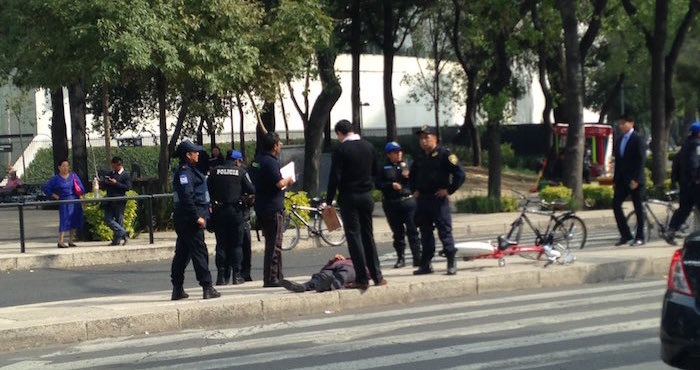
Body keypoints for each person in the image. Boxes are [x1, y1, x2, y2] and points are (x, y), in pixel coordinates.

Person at [325, 119, 385, 290]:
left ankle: (362, 278)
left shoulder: (342, 149)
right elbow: (375, 171)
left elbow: (334, 177)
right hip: (366, 196)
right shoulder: (369, 146)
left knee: (354, 236)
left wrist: (329, 201)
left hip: (349, 197)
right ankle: (377, 276)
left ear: (340, 133)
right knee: (368, 235)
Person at [410, 125, 466, 275]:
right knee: (425, 233)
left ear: (435, 138)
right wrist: (414, 190)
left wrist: (449, 190)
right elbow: (412, 175)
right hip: (423, 199)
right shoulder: (420, 156)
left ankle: (451, 262)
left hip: (438, 199)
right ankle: (426, 264)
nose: (423, 141)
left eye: (426, 137)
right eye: (421, 138)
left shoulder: (445, 155)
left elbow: (460, 174)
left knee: (444, 231)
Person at [170, 139, 220, 300]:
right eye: (194, 152)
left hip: (187, 218)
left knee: (183, 253)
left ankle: (177, 288)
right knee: (199, 252)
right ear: (187, 155)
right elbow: (187, 197)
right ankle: (207, 286)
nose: (198, 154)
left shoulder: (191, 171)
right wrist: (196, 216)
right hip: (190, 219)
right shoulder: (185, 173)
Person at [251, 132, 294, 288]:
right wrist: (289, 180)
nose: (280, 146)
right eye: (279, 144)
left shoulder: (257, 160)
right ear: (275, 146)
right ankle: (271, 278)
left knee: (272, 243)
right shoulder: (270, 162)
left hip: (262, 206)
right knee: (275, 244)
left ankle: (277, 275)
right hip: (273, 207)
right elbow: (278, 183)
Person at [208, 149, 255, 285]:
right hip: (236, 212)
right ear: (237, 160)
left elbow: (208, 189)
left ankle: (221, 277)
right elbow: (251, 189)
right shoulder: (241, 172)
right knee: (236, 245)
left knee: (221, 244)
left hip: (219, 211)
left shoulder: (215, 171)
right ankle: (237, 275)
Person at [375, 141, 421, 268]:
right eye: (395, 152)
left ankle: (417, 257)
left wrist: (411, 181)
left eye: (400, 151)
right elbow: (377, 183)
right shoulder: (383, 167)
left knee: (413, 230)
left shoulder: (408, 164)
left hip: (408, 201)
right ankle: (401, 258)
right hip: (391, 203)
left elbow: (418, 179)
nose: (399, 154)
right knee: (398, 232)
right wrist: (390, 185)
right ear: (389, 154)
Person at [612, 113, 647, 247]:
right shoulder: (620, 140)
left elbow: (641, 160)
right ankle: (626, 235)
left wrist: (636, 179)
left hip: (635, 180)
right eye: (620, 123)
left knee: (638, 208)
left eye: (623, 123)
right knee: (615, 205)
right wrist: (615, 181)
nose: (621, 126)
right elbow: (618, 162)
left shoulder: (638, 138)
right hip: (622, 180)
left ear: (631, 123)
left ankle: (640, 237)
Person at [663, 122, 700, 245]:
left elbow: (676, 164)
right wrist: (696, 178)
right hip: (695, 185)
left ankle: (671, 230)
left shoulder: (685, 146)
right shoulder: (697, 145)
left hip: (685, 184)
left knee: (684, 209)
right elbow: (694, 163)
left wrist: (675, 180)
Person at [43, 159, 85, 248]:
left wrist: (82, 198)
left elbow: (81, 188)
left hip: (74, 200)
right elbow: (46, 188)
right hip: (64, 202)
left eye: (67, 165)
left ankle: (71, 240)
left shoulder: (73, 176)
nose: (65, 168)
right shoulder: (55, 179)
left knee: (74, 220)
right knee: (64, 220)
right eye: (63, 166)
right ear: (59, 167)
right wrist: (55, 196)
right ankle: (61, 241)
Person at [280, 254, 363, 293]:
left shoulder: (362, 263)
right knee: (321, 276)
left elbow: (369, 272)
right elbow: (323, 270)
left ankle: (327, 286)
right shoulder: (344, 259)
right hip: (334, 266)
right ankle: (302, 287)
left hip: (352, 268)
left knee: (342, 276)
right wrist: (333, 261)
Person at [101, 156, 132, 246]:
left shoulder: (125, 175)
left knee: (119, 220)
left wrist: (116, 183)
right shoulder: (110, 173)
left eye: (115, 166)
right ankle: (124, 233)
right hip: (110, 199)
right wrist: (104, 183)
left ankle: (116, 240)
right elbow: (104, 186)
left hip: (119, 200)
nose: (114, 168)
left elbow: (128, 187)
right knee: (108, 219)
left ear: (120, 165)